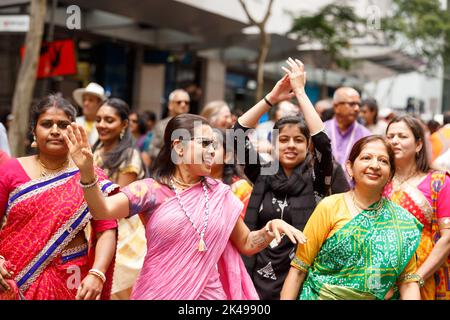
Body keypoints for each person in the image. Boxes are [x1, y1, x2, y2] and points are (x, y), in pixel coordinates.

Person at [63, 110, 307, 300]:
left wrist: (269, 229)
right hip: (157, 291)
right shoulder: (151, 190)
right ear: (179, 147)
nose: (212, 151)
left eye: (213, 144)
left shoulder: (222, 195)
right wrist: (87, 171)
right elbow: (101, 210)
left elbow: (246, 243)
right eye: (204, 143)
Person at [235, 58, 341, 300]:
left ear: (307, 145)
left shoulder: (317, 178)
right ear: (273, 143)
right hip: (255, 279)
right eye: (283, 139)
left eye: (298, 140)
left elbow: (324, 143)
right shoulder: (262, 172)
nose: (291, 145)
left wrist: (301, 93)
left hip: (302, 278)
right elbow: (237, 135)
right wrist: (271, 98)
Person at [0, 95, 117, 300]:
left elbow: (106, 229)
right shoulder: (10, 170)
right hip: (13, 274)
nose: (55, 131)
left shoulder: (91, 174)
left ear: (75, 131)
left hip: (70, 276)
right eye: (46, 124)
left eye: (63, 125)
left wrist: (97, 273)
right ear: (34, 131)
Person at [281, 135, 423, 300]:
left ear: (390, 174)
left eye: (383, 161)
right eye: (366, 158)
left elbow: (408, 282)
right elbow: (299, 269)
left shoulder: (402, 222)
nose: (374, 165)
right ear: (349, 168)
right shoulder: (330, 206)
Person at [384, 115, 450, 300]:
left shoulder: (439, 182)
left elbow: (447, 239)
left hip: (427, 276)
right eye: (390, 136)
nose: (395, 141)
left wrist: (415, 280)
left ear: (419, 144)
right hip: (382, 279)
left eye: (402, 136)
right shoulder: (378, 182)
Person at [92, 98, 147, 300]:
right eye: (98, 119)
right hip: (93, 223)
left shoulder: (129, 155)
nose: (102, 125)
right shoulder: (93, 152)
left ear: (124, 124)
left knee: (118, 288)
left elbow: (119, 201)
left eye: (109, 120)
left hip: (122, 229)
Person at [324, 87, 371, 182]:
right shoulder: (323, 130)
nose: (357, 109)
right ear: (336, 107)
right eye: (352, 104)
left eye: (358, 104)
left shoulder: (366, 136)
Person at [210, 129, 253, 218]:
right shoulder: (190, 186)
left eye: (214, 146)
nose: (208, 151)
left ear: (227, 156)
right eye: (204, 145)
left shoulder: (241, 188)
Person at [148, 89, 190, 165]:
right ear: (170, 105)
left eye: (186, 103)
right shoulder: (161, 126)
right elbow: (152, 150)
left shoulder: (193, 125)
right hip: (166, 169)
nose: (183, 105)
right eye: (179, 102)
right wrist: (170, 155)